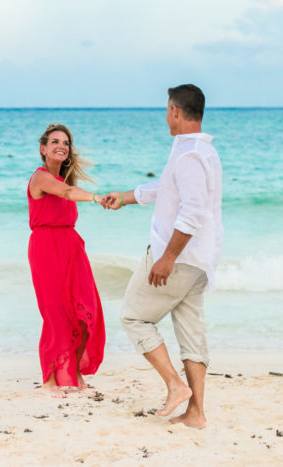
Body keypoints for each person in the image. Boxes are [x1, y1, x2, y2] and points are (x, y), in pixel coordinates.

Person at [102, 84, 223, 428]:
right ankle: (196, 413)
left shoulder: (188, 156)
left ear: (175, 111)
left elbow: (192, 213)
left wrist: (167, 257)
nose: (165, 115)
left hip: (181, 258)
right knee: (190, 332)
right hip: (201, 260)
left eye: (166, 109)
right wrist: (126, 197)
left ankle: (174, 385)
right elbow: (168, 190)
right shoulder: (200, 151)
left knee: (133, 317)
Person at [27, 123, 106, 398]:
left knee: (84, 308)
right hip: (46, 249)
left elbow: (69, 191)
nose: (62, 145)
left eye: (66, 142)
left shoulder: (66, 181)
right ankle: (49, 379)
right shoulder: (40, 179)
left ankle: (73, 372)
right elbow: (68, 194)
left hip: (71, 248)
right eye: (55, 141)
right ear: (43, 149)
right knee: (54, 312)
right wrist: (97, 197)